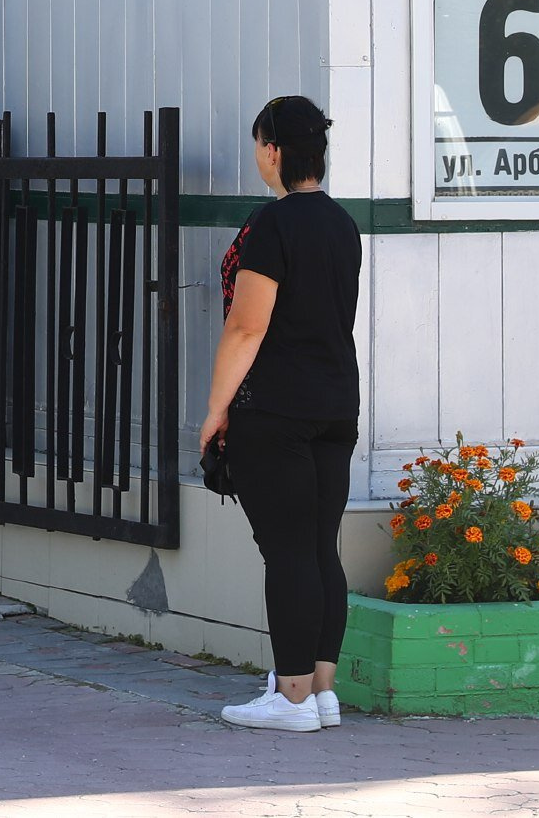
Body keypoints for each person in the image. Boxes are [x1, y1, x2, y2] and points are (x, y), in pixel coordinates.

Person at [201, 95, 361, 733]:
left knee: (288, 554)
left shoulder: (272, 227)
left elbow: (247, 328)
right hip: (336, 406)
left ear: (272, 150)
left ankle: (289, 697)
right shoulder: (342, 224)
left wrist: (214, 413)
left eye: (257, 145)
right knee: (321, 548)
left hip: (278, 410)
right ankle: (321, 692)